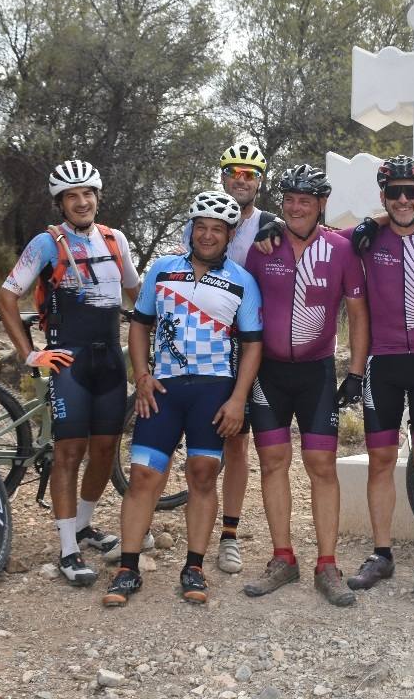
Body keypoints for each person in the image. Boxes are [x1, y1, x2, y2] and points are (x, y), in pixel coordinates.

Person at [103, 190, 263, 607]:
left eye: (218, 230)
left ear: (229, 236)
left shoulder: (242, 281)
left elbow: (252, 345)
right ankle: (127, 568)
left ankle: (194, 566)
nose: (208, 236)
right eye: (202, 227)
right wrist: (140, 376)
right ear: (191, 229)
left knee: (203, 476)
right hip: (164, 391)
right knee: (143, 477)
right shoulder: (162, 269)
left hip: (213, 392)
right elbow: (139, 325)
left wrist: (239, 399)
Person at [0, 159, 140, 587]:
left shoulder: (116, 240)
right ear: (61, 203)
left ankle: (83, 524)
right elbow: (6, 299)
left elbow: (139, 293)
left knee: (104, 450)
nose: (82, 202)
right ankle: (67, 550)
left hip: (111, 360)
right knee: (69, 453)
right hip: (69, 363)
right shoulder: (46, 243)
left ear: (97, 197)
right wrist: (30, 355)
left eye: (88, 194)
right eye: (72, 197)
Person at [241, 164, 369, 606]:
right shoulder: (263, 248)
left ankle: (328, 564)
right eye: (290, 199)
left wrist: (355, 371)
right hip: (268, 374)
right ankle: (283, 558)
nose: (296, 207)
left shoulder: (341, 249)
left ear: (321, 204)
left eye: (306, 200)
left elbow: (357, 313)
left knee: (321, 466)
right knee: (273, 462)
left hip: (316, 373)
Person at [344, 155, 414, 602]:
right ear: (384, 197)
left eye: (412, 191)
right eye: (394, 192)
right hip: (383, 363)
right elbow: (319, 240)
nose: (404, 199)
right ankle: (382, 554)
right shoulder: (367, 241)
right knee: (380, 461)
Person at [180, 142, 279, 574]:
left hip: (251, 343)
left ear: (260, 181)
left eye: (250, 173)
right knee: (196, 442)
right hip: (201, 344)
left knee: (237, 443)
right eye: (234, 171)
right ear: (222, 175)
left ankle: (230, 535)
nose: (242, 178)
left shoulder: (269, 224)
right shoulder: (205, 219)